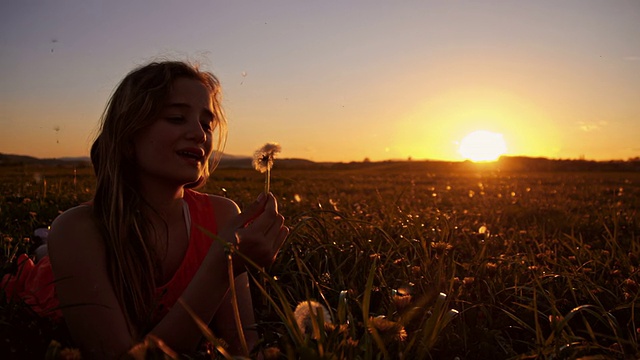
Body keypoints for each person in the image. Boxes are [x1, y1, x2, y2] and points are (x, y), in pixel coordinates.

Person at [28, 60, 288, 358]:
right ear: (128, 137)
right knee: (45, 261)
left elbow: (242, 347)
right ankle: (44, 253)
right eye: (177, 118)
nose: (200, 134)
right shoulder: (78, 230)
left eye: (207, 123)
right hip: (50, 284)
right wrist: (220, 267)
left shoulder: (221, 216)